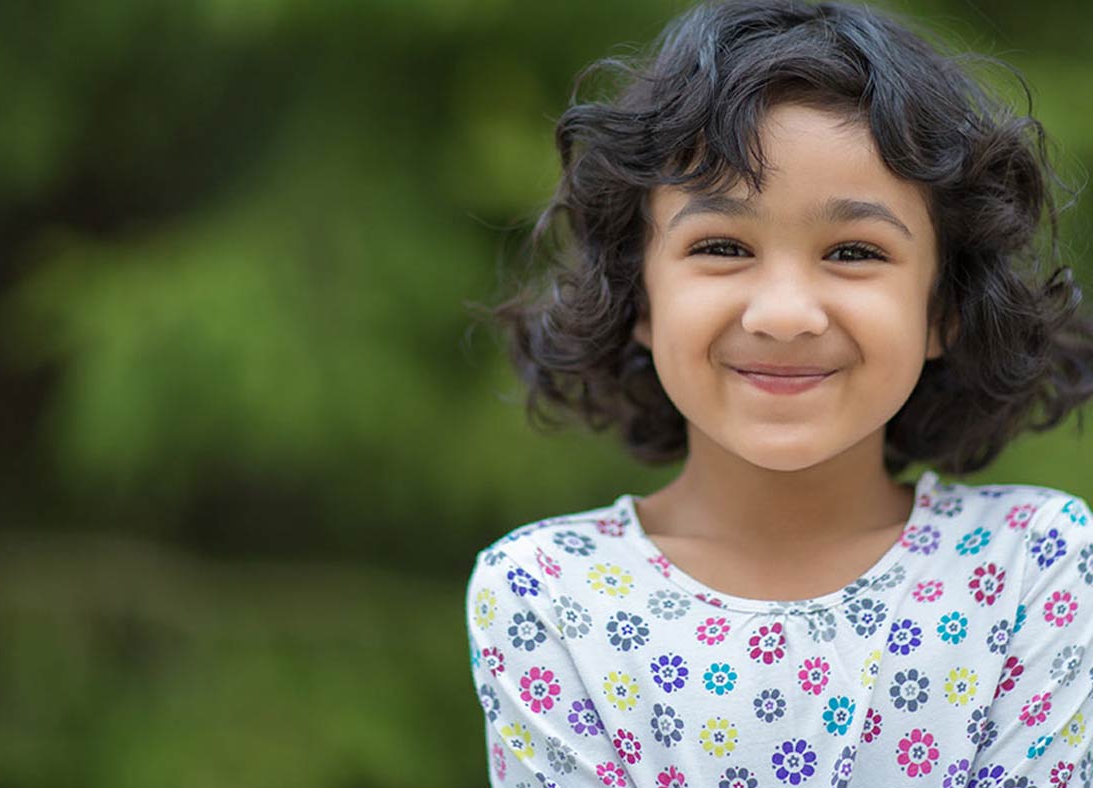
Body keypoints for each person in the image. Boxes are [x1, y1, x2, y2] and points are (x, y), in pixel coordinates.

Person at [463, 1, 1093, 786]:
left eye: (855, 251)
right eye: (722, 246)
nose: (786, 314)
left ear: (946, 308)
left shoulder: (1033, 567)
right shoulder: (549, 591)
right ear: (637, 296)